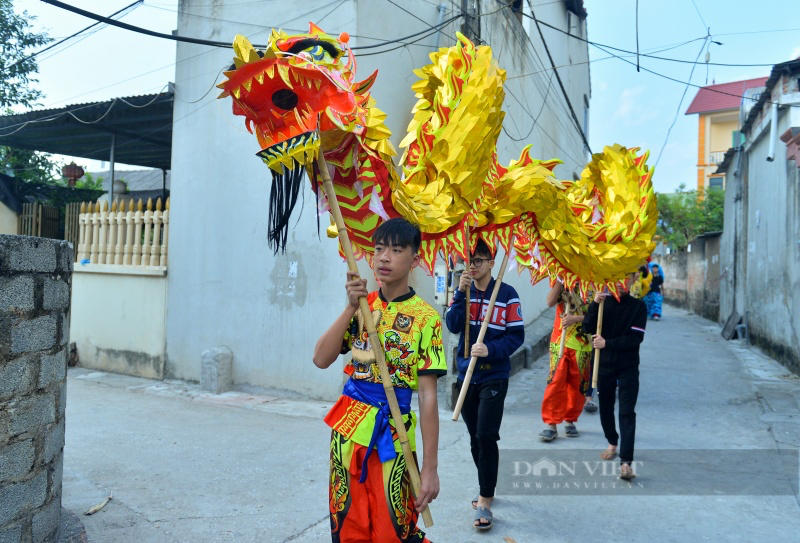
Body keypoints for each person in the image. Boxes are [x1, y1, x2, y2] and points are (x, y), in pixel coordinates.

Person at [313, 218, 446, 543]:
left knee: (393, 530)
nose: (384, 257)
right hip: (347, 433)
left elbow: (428, 398)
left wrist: (430, 468)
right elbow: (320, 358)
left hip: (394, 436)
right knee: (348, 526)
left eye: (396, 250)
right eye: (379, 249)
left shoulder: (426, 319)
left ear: (414, 259)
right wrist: (348, 308)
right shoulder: (362, 306)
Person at [445, 239, 524, 531]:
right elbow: (453, 325)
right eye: (470, 261)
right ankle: (487, 484)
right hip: (466, 375)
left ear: (492, 262)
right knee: (474, 438)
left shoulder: (506, 294)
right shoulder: (463, 291)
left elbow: (517, 336)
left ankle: (485, 499)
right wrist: (459, 293)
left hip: (494, 374)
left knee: (486, 434)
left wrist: (490, 350)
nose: (473, 266)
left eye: (479, 260)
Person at [582, 272, 647, 480]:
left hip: (627, 366)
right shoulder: (602, 304)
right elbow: (586, 328)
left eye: (625, 278)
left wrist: (607, 343)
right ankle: (612, 442)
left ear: (633, 279)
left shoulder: (638, 307)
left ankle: (626, 462)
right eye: (615, 278)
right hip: (603, 366)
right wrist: (593, 304)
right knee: (606, 408)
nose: (620, 283)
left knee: (627, 412)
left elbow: (635, 339)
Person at [539, 283, 593, 441]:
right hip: (559, 341)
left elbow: (599, 314)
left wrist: (576, 319)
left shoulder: (596, 281)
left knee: (578, 385)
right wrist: (560, 281)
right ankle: (551, 424)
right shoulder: (563, 279)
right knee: (555, 382)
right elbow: (549, 302)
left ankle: (570, 419)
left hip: (583, 343)